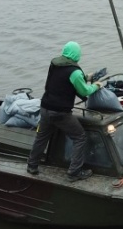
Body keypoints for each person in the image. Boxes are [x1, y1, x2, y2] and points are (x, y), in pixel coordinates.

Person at [26, 41, 101, 181]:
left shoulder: (55, 64)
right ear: (77, 54)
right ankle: (74, 172)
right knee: (80, 137)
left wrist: (86, 77)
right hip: (60, 113)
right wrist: (96, 86)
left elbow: (63, 81)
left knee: (41, 137)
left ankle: (32, 165)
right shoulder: (75, 72)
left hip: (45, 107)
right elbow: (84, 90)